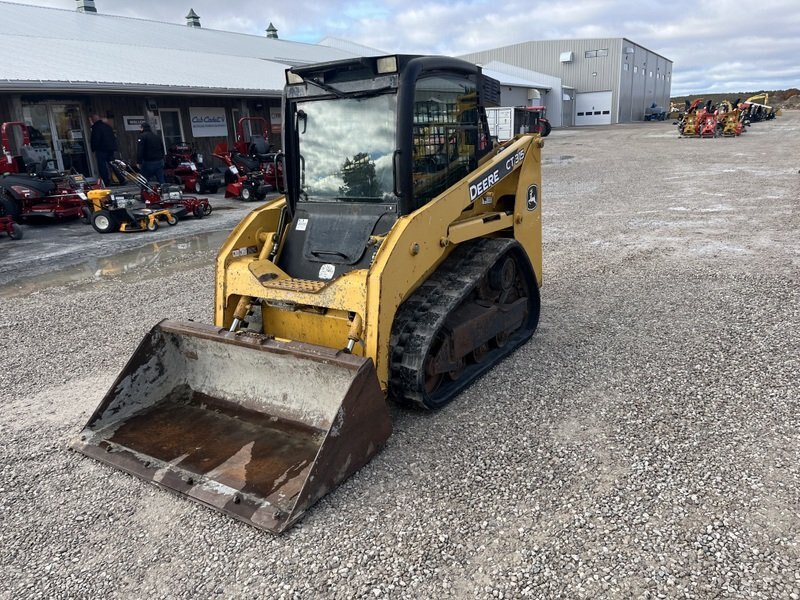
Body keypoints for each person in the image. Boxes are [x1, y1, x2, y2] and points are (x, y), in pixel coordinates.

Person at [89, 114, 117, 185]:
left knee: (102, 166)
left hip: (101, 149)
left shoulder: (96, 128)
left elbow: (96, 139)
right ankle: (121, 178)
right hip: (110, 148)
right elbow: (113, 137)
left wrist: (93, 148)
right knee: (113, 164)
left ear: (94, 120)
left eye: (92, 120)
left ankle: (106, 181)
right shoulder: (107, 126)